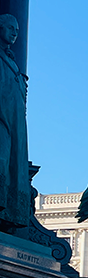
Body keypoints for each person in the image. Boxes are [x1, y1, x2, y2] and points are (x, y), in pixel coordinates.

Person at [0, 14, 30, 231]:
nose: (15, 33)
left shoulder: (11, 61)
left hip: (14, 124)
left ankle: (9, 211)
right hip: (3, 119)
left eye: (17, 30)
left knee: (10, 162)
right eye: (10, 28)